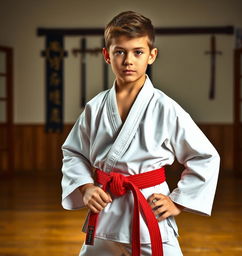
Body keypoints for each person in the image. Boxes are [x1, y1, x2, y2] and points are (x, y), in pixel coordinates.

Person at [61, 11, 220, 256]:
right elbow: (73, 152)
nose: (128, 61)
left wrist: (178, 201)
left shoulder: (165, 108)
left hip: (148, 210)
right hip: (106, 211)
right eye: (120, 52)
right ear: (107, 55)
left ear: (152, 55)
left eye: (138, 52)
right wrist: (86, 188)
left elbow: (205, 156)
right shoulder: (95, 107)